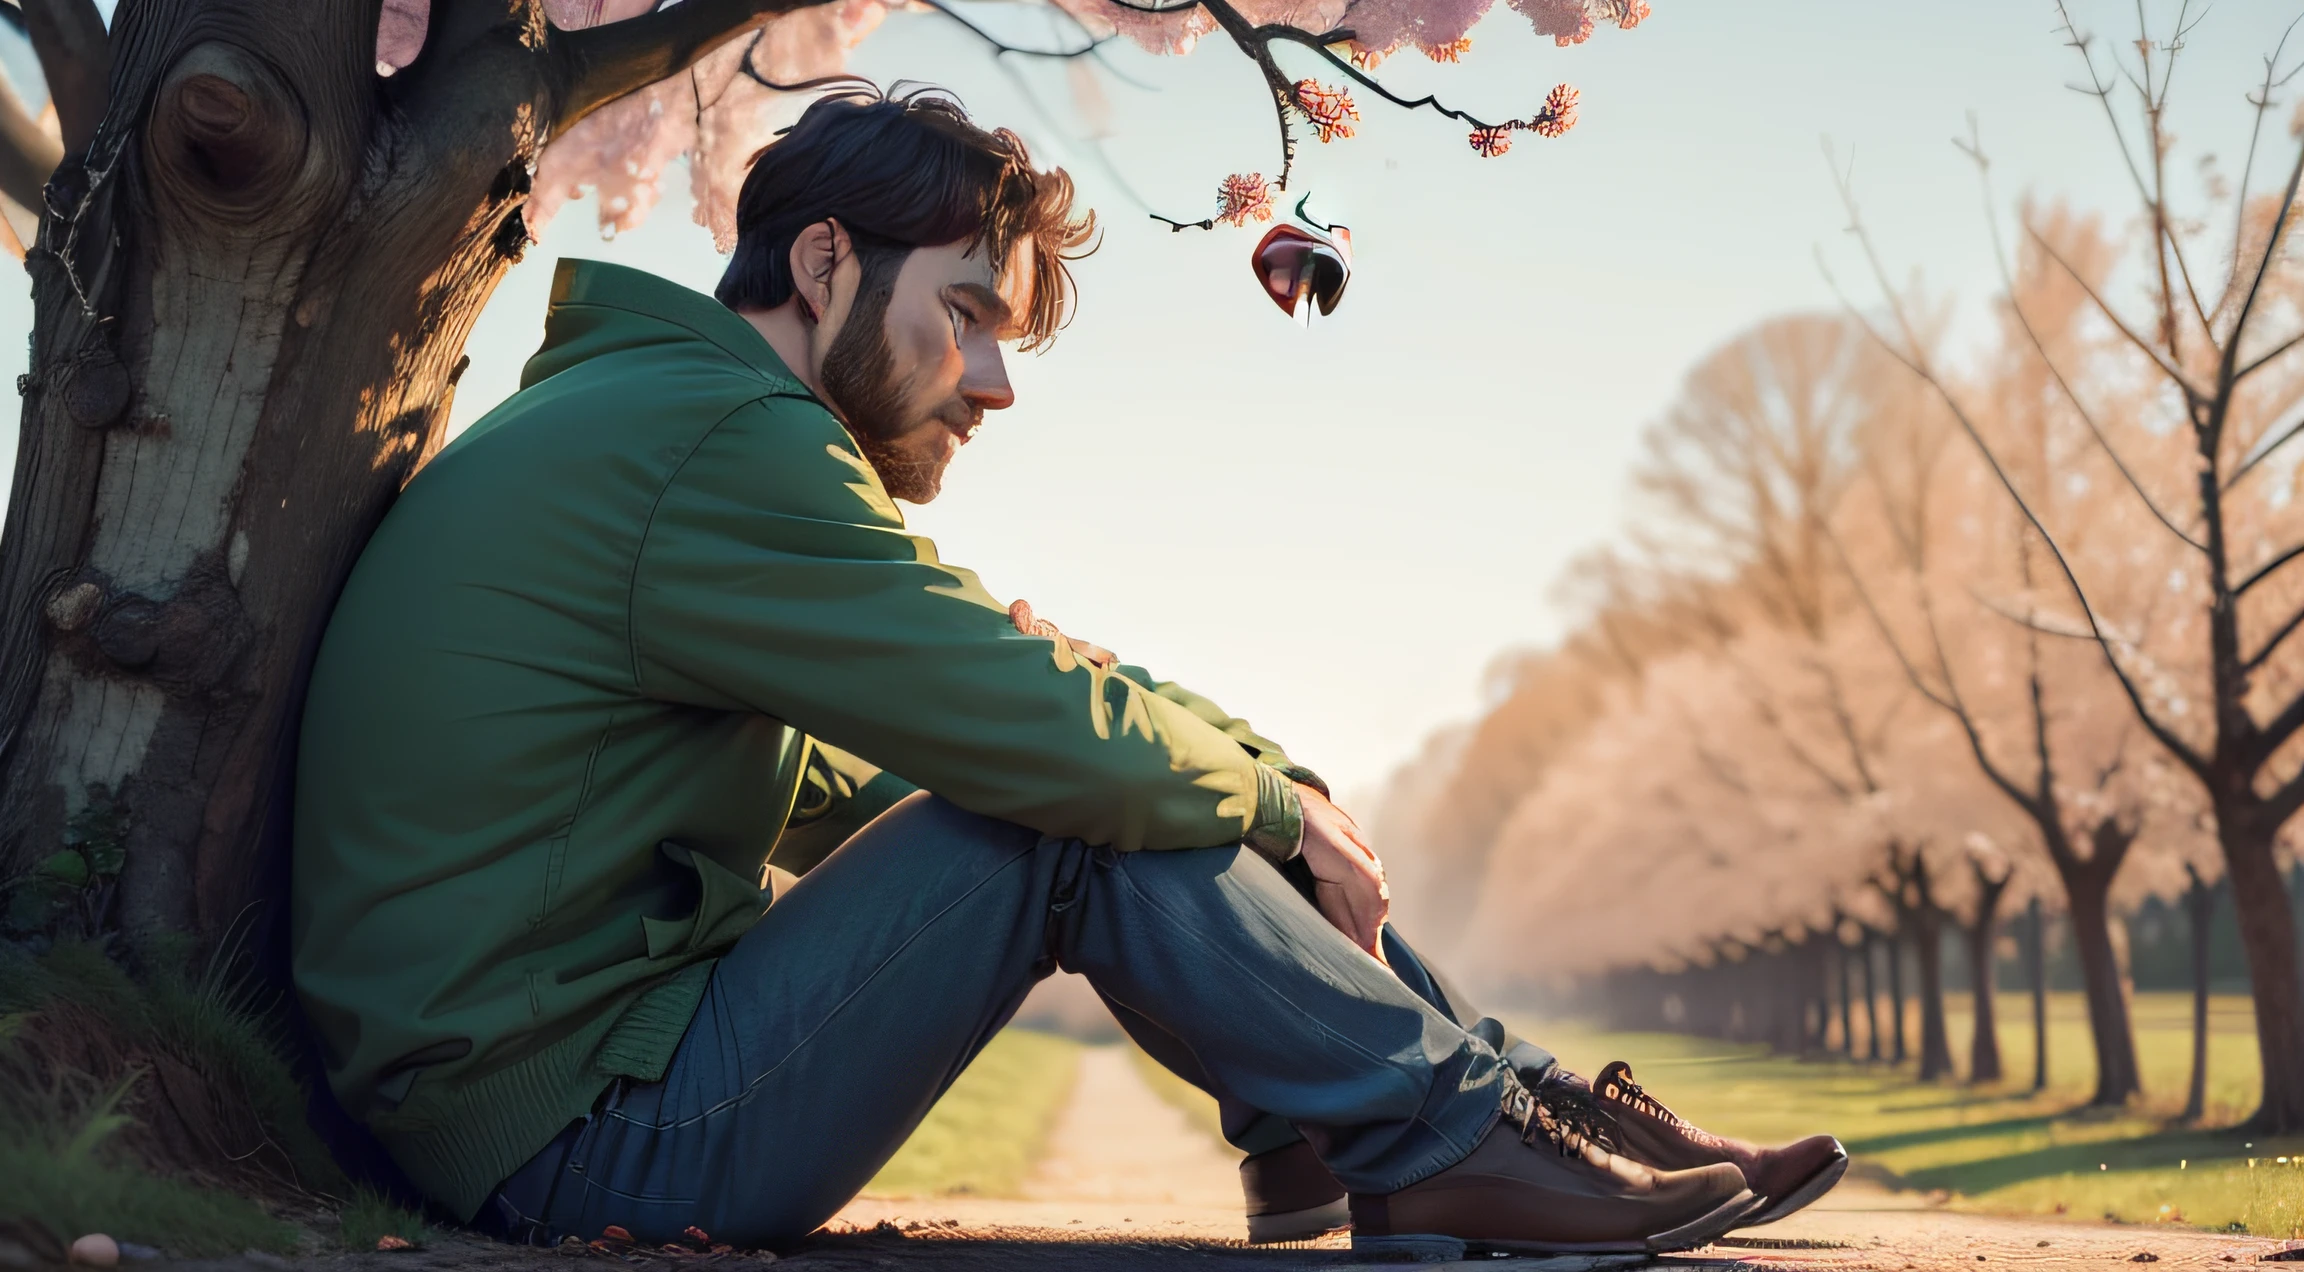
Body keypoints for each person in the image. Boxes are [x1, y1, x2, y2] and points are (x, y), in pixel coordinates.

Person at [290, 85, 1844, 1259]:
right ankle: (1446, 1136)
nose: (995, 381)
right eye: (966, 313)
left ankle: (1481, 1117)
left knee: (1085, 782)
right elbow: (1030, 738)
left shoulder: (660, 429)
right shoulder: (718, 448)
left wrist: (1266, 783)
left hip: (541, 1101)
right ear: (825, 263)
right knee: (1059, 809)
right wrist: (1270, 801)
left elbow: (903, 755)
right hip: (574, 1140)